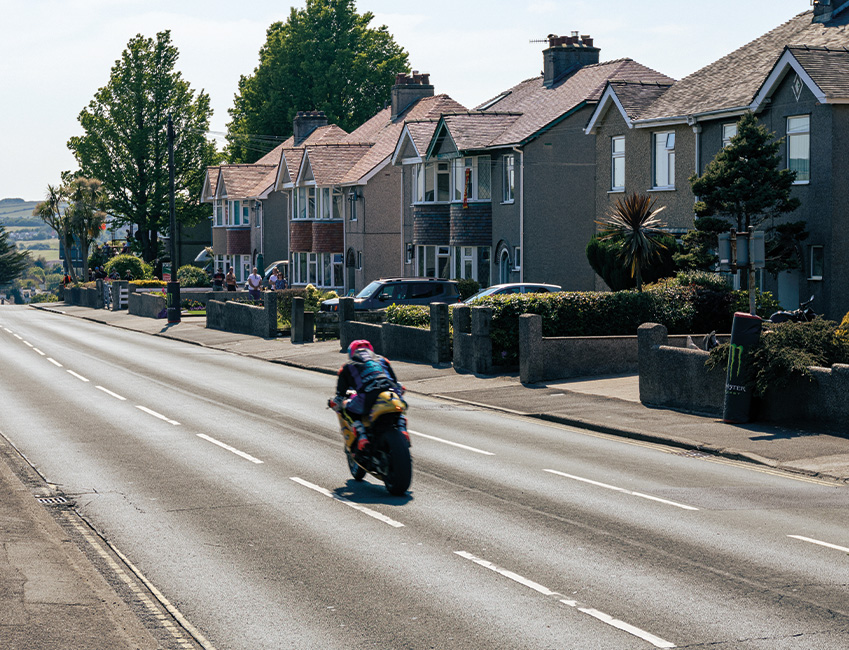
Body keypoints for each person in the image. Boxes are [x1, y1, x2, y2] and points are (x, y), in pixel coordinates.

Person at [335, 340, 404, 455]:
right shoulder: (383, 360)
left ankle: (361, 434)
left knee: (346, 407)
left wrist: (336, 401)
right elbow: (395, 382)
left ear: (351, 353)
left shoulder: (348, 366)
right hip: (390, 392)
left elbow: (340, 394)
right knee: (400, 405)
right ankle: (402, 427)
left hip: (367, 396)